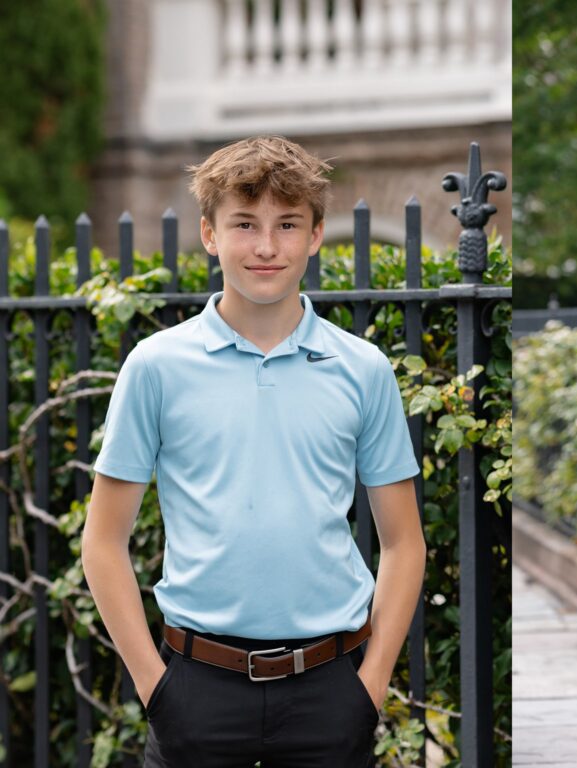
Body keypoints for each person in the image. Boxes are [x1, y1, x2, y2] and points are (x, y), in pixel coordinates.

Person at [81, 136, 426, 767]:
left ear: (317, 235)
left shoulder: (363, 369)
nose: (266, 247)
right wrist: (155, 688)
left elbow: (405, 543)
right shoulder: (156, 367)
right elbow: (102, 541)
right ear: (210, 234)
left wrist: (369, 688)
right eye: (245, 224)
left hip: (331, 690)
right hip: (194, 690)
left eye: (287, 225)